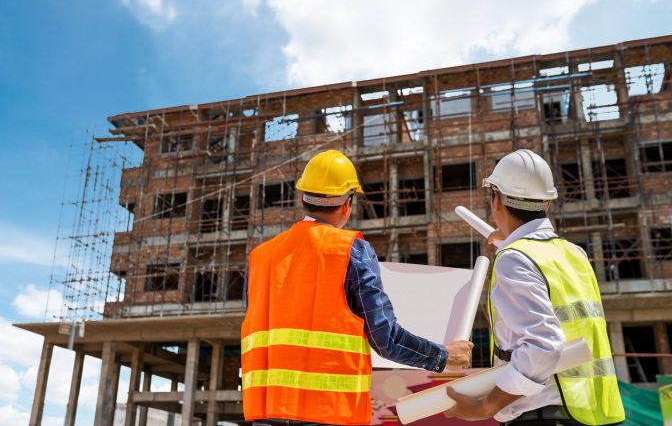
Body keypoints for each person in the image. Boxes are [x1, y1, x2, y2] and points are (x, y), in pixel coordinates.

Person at [241, 150, 473, 426]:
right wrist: (443, 356)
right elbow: (387, 340)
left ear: (302, 197)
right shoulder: (350, 250)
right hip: (330, 416)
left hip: (265, 417)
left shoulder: (260, 257)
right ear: (347, 204)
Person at [445, 149, 625, 425]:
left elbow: (542, 346)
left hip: (542, 414)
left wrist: (485, 406)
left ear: (497, 200)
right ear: (547, 203)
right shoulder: (573, 253)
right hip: (589, 411)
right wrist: (508, 241)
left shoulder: (514, 259)